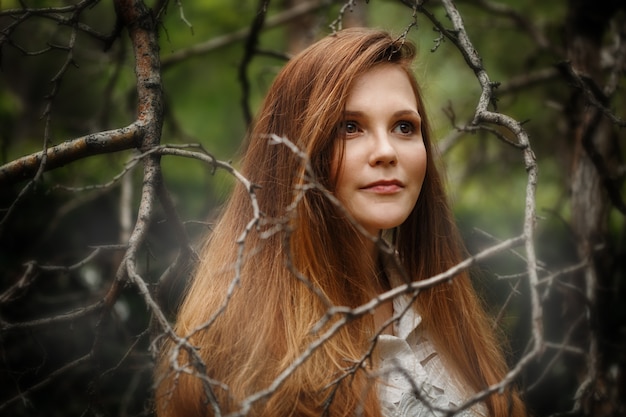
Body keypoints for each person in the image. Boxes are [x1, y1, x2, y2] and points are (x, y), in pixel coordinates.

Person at [154, 28, 527, 417]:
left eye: (404, 127)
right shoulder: (241, 342)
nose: (386, 152)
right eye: (350, 127)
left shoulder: (441, 307)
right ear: (295, 153)